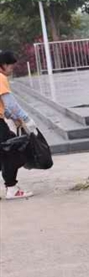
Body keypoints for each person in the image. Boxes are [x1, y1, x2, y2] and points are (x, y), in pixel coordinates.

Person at [0, 51, 37, 199]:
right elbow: (10, 104)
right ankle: (12, 189)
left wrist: (11, 116)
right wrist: (26, 118)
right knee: (12, 151)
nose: (12, 70)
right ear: (3, 65)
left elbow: (3, 107)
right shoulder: (1, 77)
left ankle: (11, 187)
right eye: (11, 67)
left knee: (4, 153)